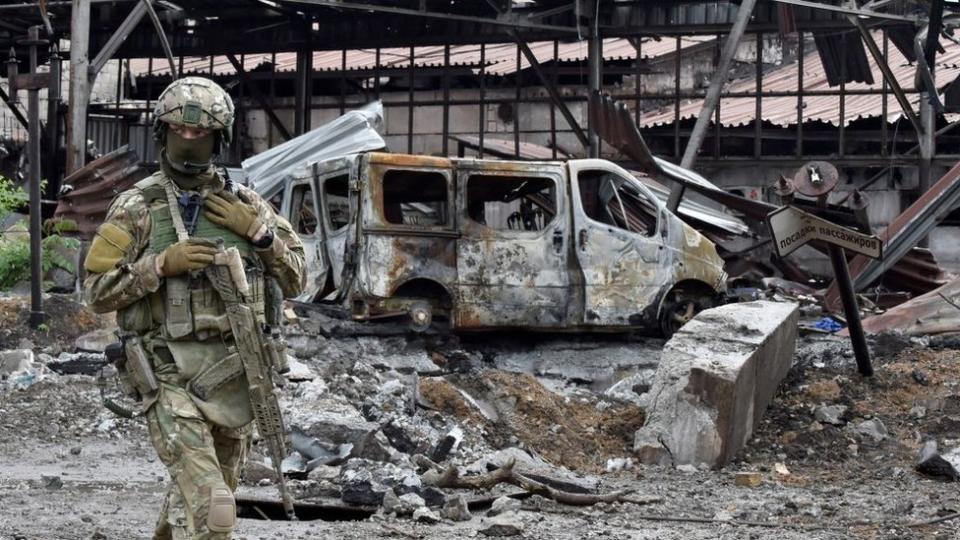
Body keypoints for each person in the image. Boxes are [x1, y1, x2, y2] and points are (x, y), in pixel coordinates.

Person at [83, 76, 306, 539]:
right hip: (167, 375)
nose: (189, 142)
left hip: (236, 377)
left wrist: (261, 237)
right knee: (215, 507)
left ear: (218, 138)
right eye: (179, 132)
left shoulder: (247, 204)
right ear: (162, 134)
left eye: (200, 133)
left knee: (195, 505)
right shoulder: (136, 207)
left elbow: (298, 280)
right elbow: (97, 292)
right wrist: (159, 266)